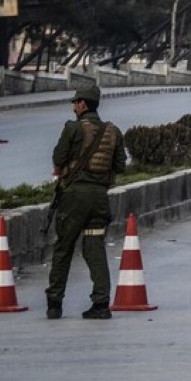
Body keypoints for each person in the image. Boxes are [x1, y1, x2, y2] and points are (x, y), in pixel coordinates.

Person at [45, 85, 126, 320]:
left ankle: (54, 303)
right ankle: (101, 304)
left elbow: (59, 157)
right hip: (99, 199)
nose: (73, 106)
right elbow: (120, 166)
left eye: (75, 102)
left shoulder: (73, 128)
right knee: (94, 249)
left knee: (64, 248)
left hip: (74, 197)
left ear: (82, 104)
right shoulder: (113, 131)